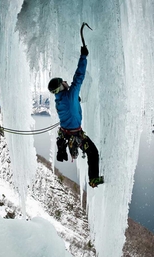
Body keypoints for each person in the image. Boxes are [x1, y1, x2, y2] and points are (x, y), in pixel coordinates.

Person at [47, 45, 104, 188]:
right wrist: (83, 56)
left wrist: (75, 100)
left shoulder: (58, 100)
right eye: (63, 82)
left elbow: (70, 106)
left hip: (66, 133)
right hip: (74, 133)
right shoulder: (70, 95)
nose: (66, 82)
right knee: (93, 153)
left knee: (87, 150)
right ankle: (93, 179)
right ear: (61, 86)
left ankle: (67, 148)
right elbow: (79, 77)